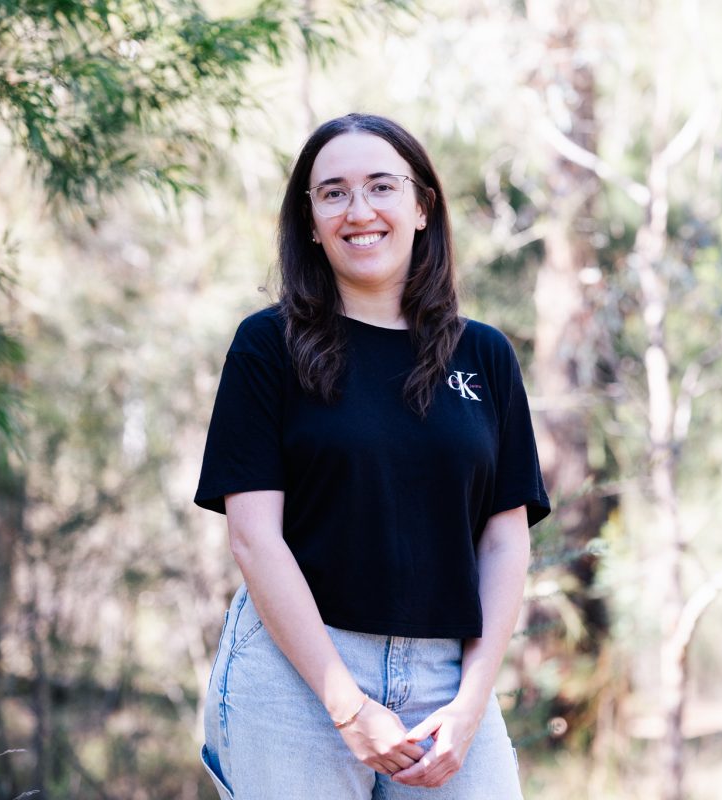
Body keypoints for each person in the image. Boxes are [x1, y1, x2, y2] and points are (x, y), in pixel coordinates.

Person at [193, 113, 550, 799]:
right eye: (332, 193)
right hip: (297, 677)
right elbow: (253, 537)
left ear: (422, 207)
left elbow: (505, 542)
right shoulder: (266, 348)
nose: (359, 211)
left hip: (448, 681)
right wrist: (347, 705)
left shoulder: (485, 356)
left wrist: (473, 701)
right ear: (310, 220)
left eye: (381, 187)